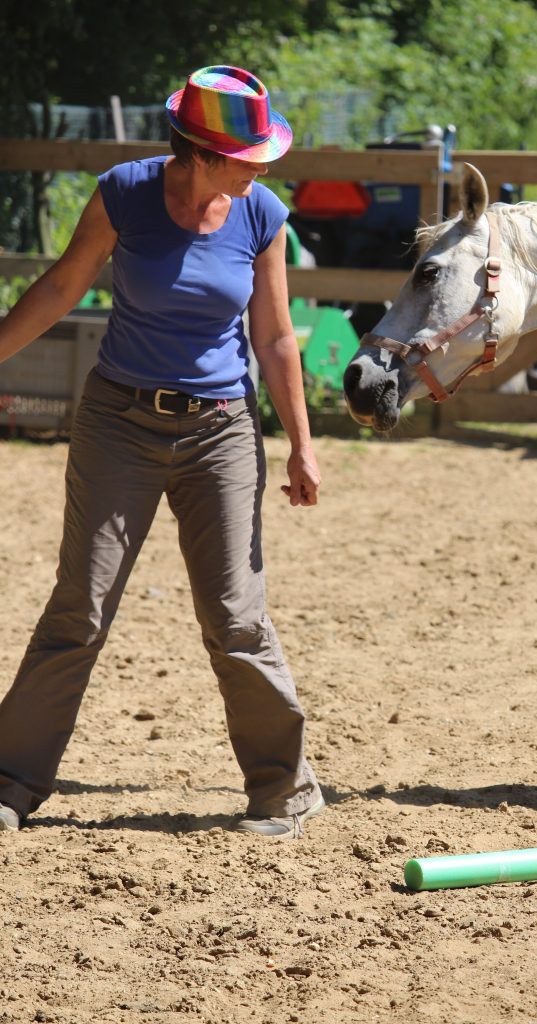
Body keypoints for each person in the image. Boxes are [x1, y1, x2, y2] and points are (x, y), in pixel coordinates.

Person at [0, 65, 324, 839]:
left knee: (235, 617)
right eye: (249, 154)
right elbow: (60, 288)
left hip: (221, 433)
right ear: (203, 153)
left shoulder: (261, 213)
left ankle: (283, 789)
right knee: (80, 606)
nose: (263, 167)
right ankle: (10, 782)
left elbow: (276, 338)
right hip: (118, 422)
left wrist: (301, 448)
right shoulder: (125, 193)